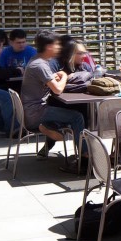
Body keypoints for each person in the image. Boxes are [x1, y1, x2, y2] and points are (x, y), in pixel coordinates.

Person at [20, 30, 86, 159]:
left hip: (32, 110)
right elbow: (57, 90)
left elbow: (46, 80)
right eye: (57, 44)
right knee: (77, 117)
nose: (59, 47)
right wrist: (65, 76)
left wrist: (55, 76)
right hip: (36, 113)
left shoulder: (36, 61)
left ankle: (51, 128)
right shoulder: (41, 65)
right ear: (49, 46)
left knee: (68, 111)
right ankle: (84, 155)